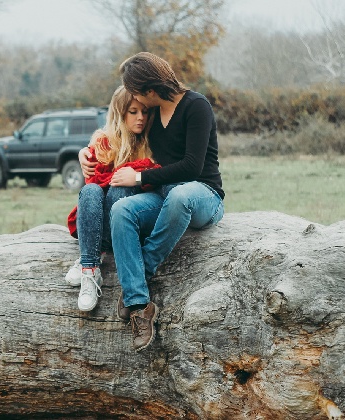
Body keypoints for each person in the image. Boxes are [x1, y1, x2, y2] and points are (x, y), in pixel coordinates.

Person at [82, 52, 225, 351]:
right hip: (163, 194)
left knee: (180, 194)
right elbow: (116, 133)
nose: (134, 99)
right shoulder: (151, 116)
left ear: (148, 89)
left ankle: (141, 273)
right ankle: (139, 305)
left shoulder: (196, 106)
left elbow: (192, 167)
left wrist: (137, 179)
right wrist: (85, 152)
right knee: (122, 210)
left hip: (201, 194)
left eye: (134, 90)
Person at [65, 85, 158, 312]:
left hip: (127, 225)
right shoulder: (104, 142)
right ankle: (90, 269)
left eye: (144, 112)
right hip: (98, 220)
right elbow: (93, 183)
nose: (141, 118)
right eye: (133, 112)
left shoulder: (151, 143)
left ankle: (91, 255)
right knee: (90, 191)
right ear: (120, 112)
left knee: (119, 189)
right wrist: (83, 153)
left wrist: (134, 176)